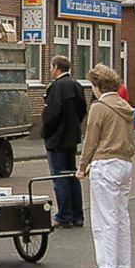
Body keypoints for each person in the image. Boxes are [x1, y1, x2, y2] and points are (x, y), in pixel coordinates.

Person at [76, 63, 135, 268]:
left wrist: (82, 167)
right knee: (121, 215)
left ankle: (105, 267)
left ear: (97, 85)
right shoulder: (124, 106)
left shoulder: (99, 107)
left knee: (103, 217)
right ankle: (119, 265)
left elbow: (91, 140)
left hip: (105, 165)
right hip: (125, 164)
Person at [41, 55, 88, 229]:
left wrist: (46, 132)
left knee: (59, 178)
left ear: (56, 67)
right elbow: (82, 109)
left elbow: (52, 113)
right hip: (71, 137)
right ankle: (77, 215)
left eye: (51, 67)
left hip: (57, 139)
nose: (51, 71)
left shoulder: (56, 87)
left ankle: (63, 216)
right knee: (71, 176)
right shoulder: (77, 86)